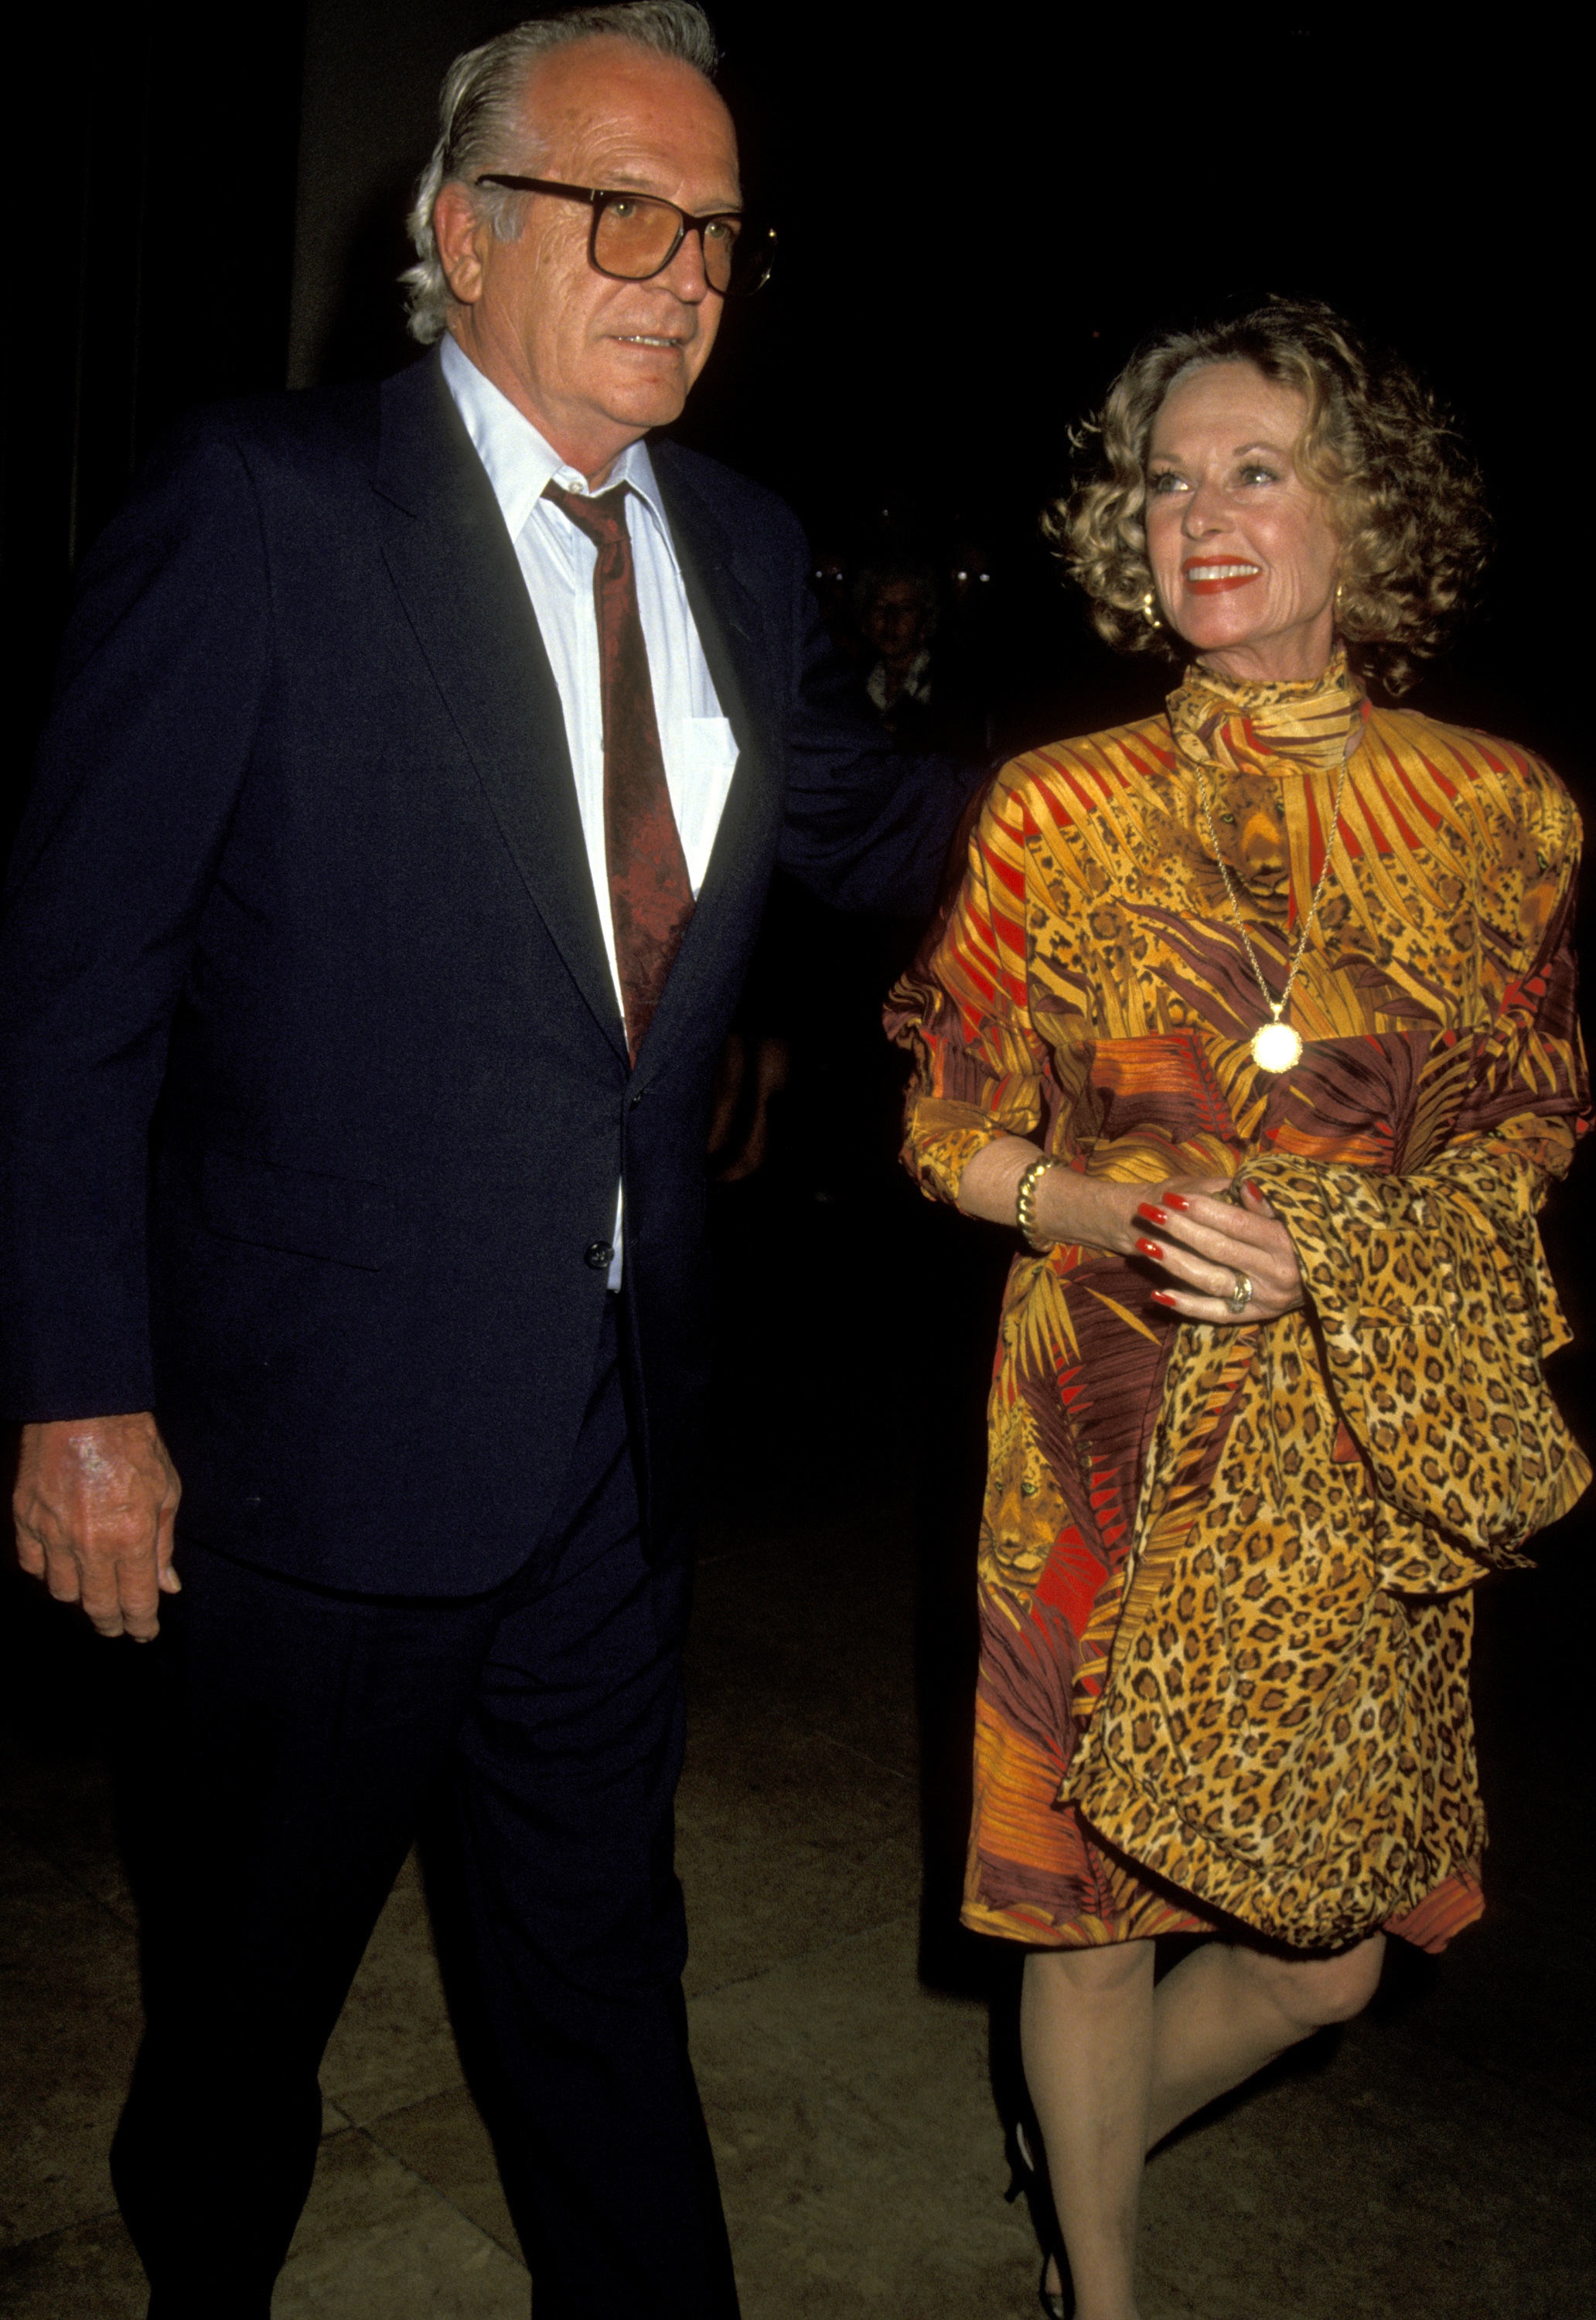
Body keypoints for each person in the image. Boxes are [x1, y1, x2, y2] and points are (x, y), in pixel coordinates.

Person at [0, 7, 971, 2315]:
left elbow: (878, 823)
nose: (684, 269)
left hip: (615, 1446)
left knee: (594, 1974)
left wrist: (1221, 781)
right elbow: (72, 992)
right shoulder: (261, 504)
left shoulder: (737, 538)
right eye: (622, 209)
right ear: (462, 228)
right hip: (310, 1461)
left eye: (720, 228)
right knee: (245, 2010)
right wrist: (78, 1400)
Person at [887, 300, 1590, 2320]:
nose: (1202, 516)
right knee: (1084, 1926)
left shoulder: (1507, 814)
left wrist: (1340, 1252)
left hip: (1346, 1442)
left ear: (1361, 508)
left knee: (1327, 1956)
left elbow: (1536, 1129)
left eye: (1255, 469)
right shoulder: (1053, 808)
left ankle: (1069, 2144)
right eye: (1169, 480)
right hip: (1099, 1415)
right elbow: (945, 1133)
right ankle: (1094, 2287)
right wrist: (1111, 1202)